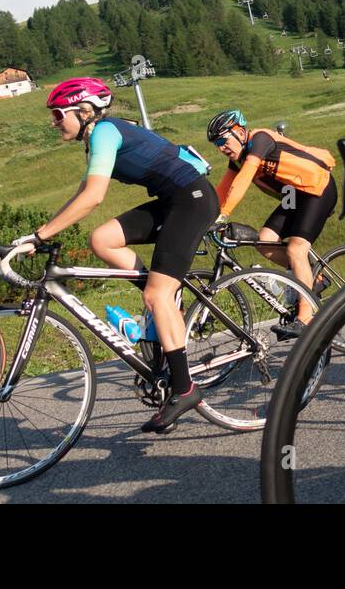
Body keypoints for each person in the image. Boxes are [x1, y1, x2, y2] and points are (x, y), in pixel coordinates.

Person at [19, 78, 218, 434]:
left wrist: (40, 235)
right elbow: (82, 194)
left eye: (57, 114)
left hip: (192, 200)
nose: (54, 122)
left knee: (156, 294)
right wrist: (39, 236)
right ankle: (163, 299)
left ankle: (185, 387)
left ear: (83, 111)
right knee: (102, 239)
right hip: (172, 201)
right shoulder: (98, 137)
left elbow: (94, 197)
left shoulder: (105, 132)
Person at [206, 110, 337, 340]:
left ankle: (305, 319)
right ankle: (313, 278)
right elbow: (223, 190)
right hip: (295, 195)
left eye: (222, 141)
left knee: (296, 250)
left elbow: (244, 179)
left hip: (318, 188)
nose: (220, 148)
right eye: (216, 144)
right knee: (264, 241)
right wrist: (205, 217)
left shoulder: (260, 140)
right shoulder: (238, 158)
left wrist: (223, 215)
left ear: (238, 132)